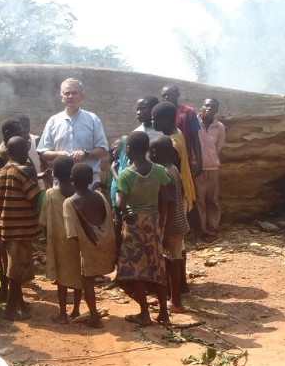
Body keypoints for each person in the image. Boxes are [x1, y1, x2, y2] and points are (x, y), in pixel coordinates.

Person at [114, 131, 171, 326]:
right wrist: (161, 223)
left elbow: (121, 205)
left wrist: (115, 179)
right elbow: (164, 200)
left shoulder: (125, 175)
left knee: (136, 270)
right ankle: (164, 312)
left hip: (133, 225)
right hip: (153, 223)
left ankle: (144, 314)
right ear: (147, 149)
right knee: (156, 267)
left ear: (128, 149)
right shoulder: (159, 171)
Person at [0, 136, 42, 321]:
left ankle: (20, 304)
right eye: (25, 150)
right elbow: (34, 197)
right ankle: (9, 308)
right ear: (21, 151)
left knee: (12, 266)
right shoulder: (21, 172)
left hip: (5, 226)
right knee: (16, 271)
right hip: (19, 228)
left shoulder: (1, 172)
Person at [64, 163, 117, 329]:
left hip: (88, 247)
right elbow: (109, 219)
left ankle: (94, 316)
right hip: (107, 244)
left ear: (71, 179)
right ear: (90, 179)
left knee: (87, 281)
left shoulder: (69, 203)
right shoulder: (100, 196)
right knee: (90, 278)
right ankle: (83, 312)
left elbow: (72, 235)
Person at [37, 78, 109, 184]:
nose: (70, 96)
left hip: (88, 181)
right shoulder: (53, 121)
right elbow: (43, 152)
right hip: (61, 182)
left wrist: (85, 153)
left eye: (74, 93)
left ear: (81, 96)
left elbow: (103, 150)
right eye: (67, 93)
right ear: (61, 97)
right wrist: (59, 154)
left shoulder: (92, 119)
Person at [38, 156, 82, 325]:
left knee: (61, 280)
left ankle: (62, 314)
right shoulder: (79, 192)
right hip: (77, 242)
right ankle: (76, 310)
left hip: (58, 243)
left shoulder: (49, 194)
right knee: (78, 276)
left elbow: (43, 220)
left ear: (54, 173)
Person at [150, 137, 190, 313]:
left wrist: (163, 229)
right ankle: (170, 296)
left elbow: (165, 203)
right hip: (179, 221)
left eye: (151, 152)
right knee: (173, 259)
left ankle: (176, 301)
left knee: (172, 261)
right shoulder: (173, 169)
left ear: (155, 153)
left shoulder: (165, 172)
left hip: (172, 225)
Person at [196, 98, 226, 241]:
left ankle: (213, 231)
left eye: (213, 106)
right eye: (206, 105)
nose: (209, 108)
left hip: (213, 168)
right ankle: (202, 231)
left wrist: (213, 159)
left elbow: (219, 147)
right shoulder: (194, 123)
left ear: (216, 110)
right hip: (197, 169)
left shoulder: (219, 127)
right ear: (201, 106)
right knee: (199, 200)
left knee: (212, 200)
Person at [161, 85, 203, 177]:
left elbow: (195, 139)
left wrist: (199, 162)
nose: (166, 97)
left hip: (184, 158)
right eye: (164, 95)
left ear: (178, 95)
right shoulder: (160, 113)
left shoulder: (188, 112)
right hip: (164, 160)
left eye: (169, 95)